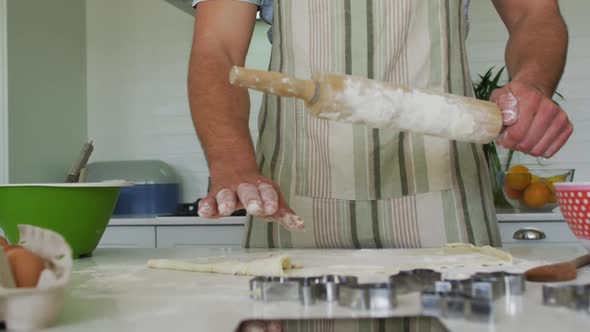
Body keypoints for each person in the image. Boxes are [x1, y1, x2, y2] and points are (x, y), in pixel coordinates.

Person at [188, 0, 572, 249]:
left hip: (446, 200)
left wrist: (533, 82)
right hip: (293, 200)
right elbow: (216, 47)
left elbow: (534, 15)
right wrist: (233, 165)